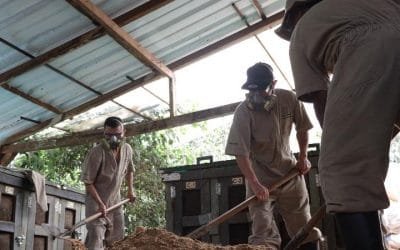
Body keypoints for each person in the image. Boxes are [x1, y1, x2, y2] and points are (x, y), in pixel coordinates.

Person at [276, 0, 400, 249]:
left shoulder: (302, 31)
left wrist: (343, 152)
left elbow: (321, 99)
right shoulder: (358, 5)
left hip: (374, 49)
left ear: (295, 15)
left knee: (341, 170)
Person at [225, 62, 321, 250]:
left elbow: (302, 128)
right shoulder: (243, 112)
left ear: (273, 84)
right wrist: (254, 184)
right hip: (260, 179)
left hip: (290, 174)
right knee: (262, 230)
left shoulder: (290, 99)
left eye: (262, 90)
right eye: (252, 91)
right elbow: (240, 152)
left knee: (303, 226)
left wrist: (303, 157)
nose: (256, 95)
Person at [81, 116, 136, 250]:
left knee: (117, 241)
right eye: (109, 135)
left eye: (117, 135)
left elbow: (130, 170)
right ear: (104, 133)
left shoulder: (127, 149)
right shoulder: (96, 153)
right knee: (96, 240)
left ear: (124, 132)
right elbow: (88, 182)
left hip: (115, 202)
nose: (113, 139)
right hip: (96, 204)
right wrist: (100, 204)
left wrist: (130, 190)